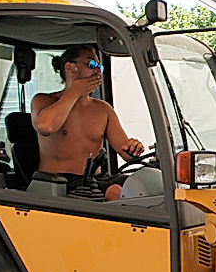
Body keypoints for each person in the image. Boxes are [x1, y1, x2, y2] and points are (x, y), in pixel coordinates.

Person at [32, 45, 144, 201]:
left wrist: (133, 148)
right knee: (115, 193)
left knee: (140, 186)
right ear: (70, 68)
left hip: (95, 181)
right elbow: (46, 126)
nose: (98, 71)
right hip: (57, 183)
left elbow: (125, 152)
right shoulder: (43, 100)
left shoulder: (103, 109)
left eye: (100, 67)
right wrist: (74, 92)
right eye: (91, 65)